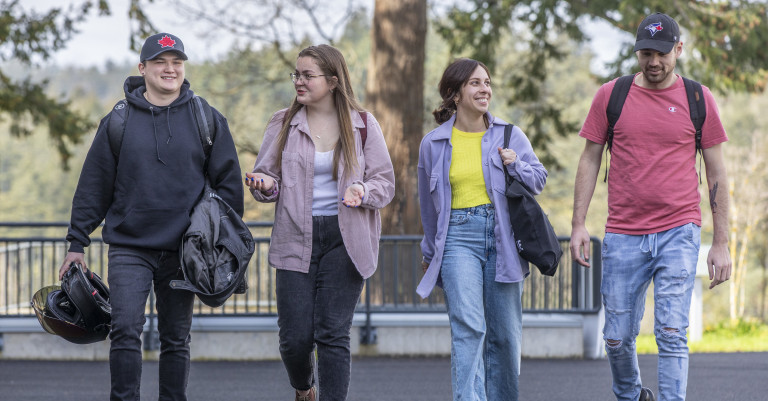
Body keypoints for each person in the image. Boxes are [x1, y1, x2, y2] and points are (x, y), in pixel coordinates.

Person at [59, 32, 244, 400]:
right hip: (130, 246)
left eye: (176, 62)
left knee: (176, 338)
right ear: (143, 68)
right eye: (160, 62)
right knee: (126, 330)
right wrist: (76, 242)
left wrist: (220, 243)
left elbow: (228, 186)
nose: (169, 69)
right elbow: (94, 186)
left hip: (185, 252)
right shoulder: (119, 120)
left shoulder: (205, 117)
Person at [570, 12, 731, 401]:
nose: (653, 62)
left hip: (679, 229)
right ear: (636, 52)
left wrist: (721, 241)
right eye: (645, 53)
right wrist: (578, 224)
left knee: (672, 332)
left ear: (678, 49)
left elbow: (717, 175)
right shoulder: (612, 96)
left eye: (661, 53)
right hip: (623, 233)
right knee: (616, 337)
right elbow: (590, 159)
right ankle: (631, 395)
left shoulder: (698, 98)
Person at [246, 44, 395, 401]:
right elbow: (268, 175)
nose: (298, 81)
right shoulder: (283, 122)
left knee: (332, 333)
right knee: (294, 338)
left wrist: (362, 188)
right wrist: (265, 185)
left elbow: (385, 183)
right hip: (296, 236)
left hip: (346, 239)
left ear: (332, 80)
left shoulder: (362, 124)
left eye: (307, 75)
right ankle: (304, 387)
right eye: (296, 74)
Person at [416, 58, 548, 401]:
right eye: (475, 83)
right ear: (454, 93)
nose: (484, 89)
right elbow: (428, 208)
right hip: (457, 238)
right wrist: (430, 253)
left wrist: (515, 163)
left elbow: (538, 180)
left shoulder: (509, 134)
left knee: (504, 335)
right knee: (469, 327)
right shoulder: (433, 144)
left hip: (502, 238)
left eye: (487, 82)